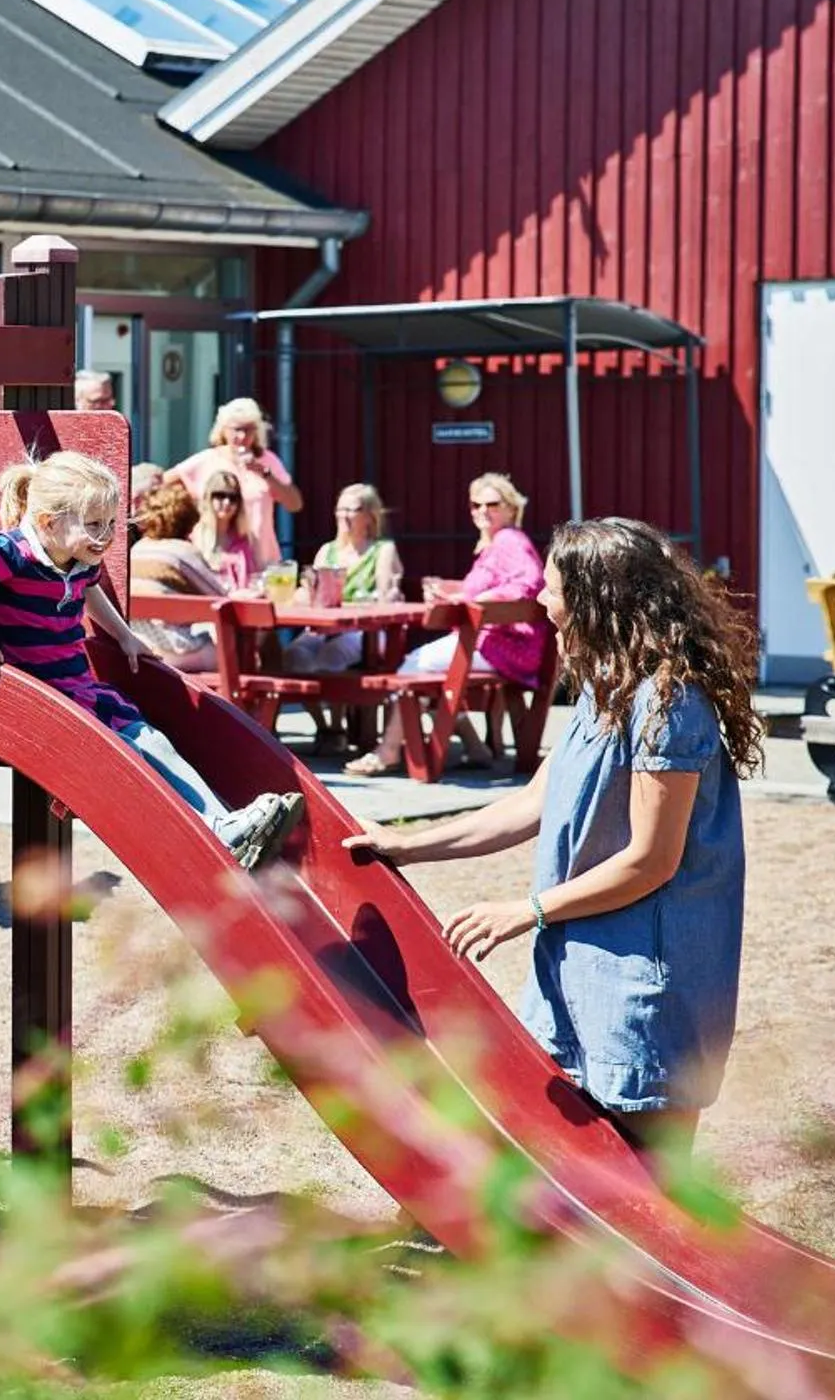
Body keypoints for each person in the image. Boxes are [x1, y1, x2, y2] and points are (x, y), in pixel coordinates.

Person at [348, 519, 759, 1162]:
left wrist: (524, 911)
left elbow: (651, 862)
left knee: (652, 1184)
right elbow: (530, 804)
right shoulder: (604, 688)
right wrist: (405, 845)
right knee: (564, 1163)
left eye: (553, 588)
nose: (541, 602)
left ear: (602, 598)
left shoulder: (666, 703)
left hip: (646, 982)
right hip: (580, 966)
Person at [0, 452, 301, 869]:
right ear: (49, 522)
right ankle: (210, 834)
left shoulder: (78, 555)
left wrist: (124, 635)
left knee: (154, 741)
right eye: (94, 524)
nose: (104, 536)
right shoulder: (10, 552)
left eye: (109, 524)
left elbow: (90, 590)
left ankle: (222, 826)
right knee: (126, 757)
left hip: (79, 688)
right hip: (41, 699)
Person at [347, 471, 546, 777]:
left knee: (414, 667)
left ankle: (387, 751)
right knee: (428, 673)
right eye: (475, 505)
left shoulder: (510, 540)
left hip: (502, 645)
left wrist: (481, 599)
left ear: (510, 507)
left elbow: (529, 584)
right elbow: (487, 586)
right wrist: (450, 590)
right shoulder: (494, 543)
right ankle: (474, 745)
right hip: (494, 642)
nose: (482, 511)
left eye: (492, 504)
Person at [284, 483, 404, 674]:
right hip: (326, 627)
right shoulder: (327, 551)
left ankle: (333, 703)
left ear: (369, 515)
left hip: (367, 631)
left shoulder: (382, 550)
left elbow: (384, 599)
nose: (344, 515)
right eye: (340, 509)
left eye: (351, 510)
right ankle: (322, 704)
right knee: (294, 654)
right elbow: (312, 595)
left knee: (333, 654)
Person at [169, 398, 303, 568]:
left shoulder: (267, 461)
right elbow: (163, 483)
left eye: (249, 430)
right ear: (223, 430)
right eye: (236, 430)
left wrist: (265, 473)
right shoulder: (208, 459)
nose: (242, 437)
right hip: (213, 558)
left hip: (260, 559)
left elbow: (295, 504)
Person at [127, 478, 241, 672]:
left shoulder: (136, 549)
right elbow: (220, 597)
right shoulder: (183, 552)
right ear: (188, 520)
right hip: (173, 649)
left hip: (137, 641)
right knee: (228, 656)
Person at [192, 468, 260, 590]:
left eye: (233, 497)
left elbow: (252, 580)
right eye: (220, 495)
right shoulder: (194, 537)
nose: (227, 502)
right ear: (209, 498)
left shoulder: (245, 538)